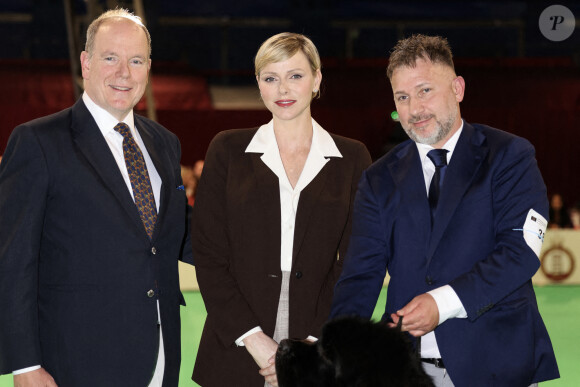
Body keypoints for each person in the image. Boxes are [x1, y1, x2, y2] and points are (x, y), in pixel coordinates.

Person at [329, 34, 559, 387]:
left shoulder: (510, 156)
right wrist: (330, 348)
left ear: (458, 88)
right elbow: (360, 276)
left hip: (498, 362)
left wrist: (443, 303)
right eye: (402, 97)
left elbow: (519, 253)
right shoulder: (378, 179)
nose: (414, 109)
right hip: (407, 369)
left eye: (425, 91)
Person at [0, 9, 192, 387]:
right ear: (86, 63)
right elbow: (11, 260)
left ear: (148, 67)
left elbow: (178, 235)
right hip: (74, 363)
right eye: (111, 58)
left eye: (136, 60)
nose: (124, 72)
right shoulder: (38, 142)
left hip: (161, 358)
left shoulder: (164, 144)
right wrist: (24, 366)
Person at [191, 32, 371, 386]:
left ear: (317, 79)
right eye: (271, 78)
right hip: (236, 348)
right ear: (259, 84)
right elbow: (209, 255)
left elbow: (355, 263)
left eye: (295, 76)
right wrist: (255, 340)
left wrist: (313, 343)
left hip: (320, 350)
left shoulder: (352, 159)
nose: (283, 89)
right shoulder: (226, 149)